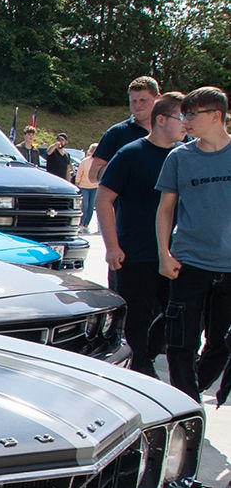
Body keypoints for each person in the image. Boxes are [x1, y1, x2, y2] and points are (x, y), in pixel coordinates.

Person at [97, 92, 184, 377]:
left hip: (175, 253)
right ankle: (139, 371)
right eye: (182, 117)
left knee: (177, 315)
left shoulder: (184, 155)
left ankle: (148, 357)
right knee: (135, 321)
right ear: (162, 119)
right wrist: (111, 246)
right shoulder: (132, 153)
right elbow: (103, 198)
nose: (187, 124)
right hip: (135, 252)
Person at [156, 86, 231, 400]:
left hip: (228, 267)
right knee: (180, 341)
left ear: (216, 116)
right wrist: (164, 252)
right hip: (189, 262)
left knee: (220, 342)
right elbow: (166, 208)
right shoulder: (179, 157)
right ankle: (185, 403)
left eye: (191, 114)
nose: (184, 121)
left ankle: (197, 385)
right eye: (182, 114)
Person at [85, 76, 161, 185]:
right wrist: (122, 170)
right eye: (133, 101)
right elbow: (93, 175)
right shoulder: (116, 132)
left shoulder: (170, 130)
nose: (137, 105)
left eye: (143, 100)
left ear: (158, 98)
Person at [77, 142, 100, 233]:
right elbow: (79, 172)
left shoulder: (99, 162)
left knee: (91, 207)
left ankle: (86, 224)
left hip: (95, 187)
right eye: (93, 150)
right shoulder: (84, 161)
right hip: (84, 186)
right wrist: (77, 183)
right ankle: (81, 223)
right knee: (85, 205)